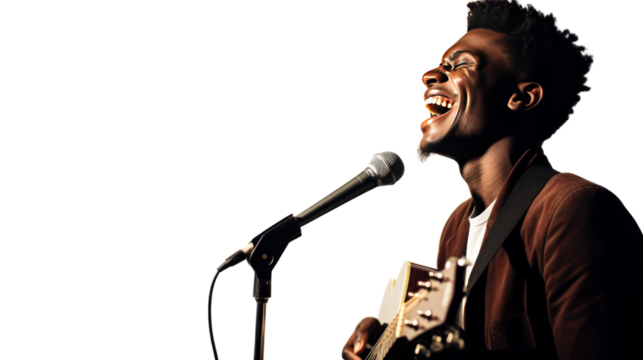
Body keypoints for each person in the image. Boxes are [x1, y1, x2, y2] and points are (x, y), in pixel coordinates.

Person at [341, 1, 643, 359]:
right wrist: (384, 346)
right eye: (440, 65)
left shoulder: (571, 210)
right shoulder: (456, 229)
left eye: (461, 65)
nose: (430, 75)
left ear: (521, 97)